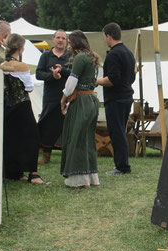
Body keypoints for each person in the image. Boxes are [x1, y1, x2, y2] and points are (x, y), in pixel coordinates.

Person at [2, 33, 47, 185]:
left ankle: (13, 172)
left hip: (8, 106)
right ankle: (33, 174)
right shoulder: (21, 66)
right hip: (22, 105)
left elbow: (4, 87)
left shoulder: (3, 65)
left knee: (12, 138)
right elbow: (29, 87)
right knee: (32, 138)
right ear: (21, 49)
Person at [59, 30, 100, 188]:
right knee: (87, 139)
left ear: (75, 43)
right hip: (91, 100)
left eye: (69, 42)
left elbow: (71, 83)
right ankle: (91, 178)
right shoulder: (92, 57)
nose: (68, 45)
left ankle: (80, 180)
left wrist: (63, 100)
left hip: (82, 101)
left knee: (77, 138)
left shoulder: (80, 57)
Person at [95, 22, 135, 175]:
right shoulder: (129, 53)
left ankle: (122, 167)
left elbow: (112, 79)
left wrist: (96, 81)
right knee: (120, 131)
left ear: (108, 36)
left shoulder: (113, 54)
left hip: (116, 98)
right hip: (126, 96)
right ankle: (122, 165)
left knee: (116, 132)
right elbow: (131, 77)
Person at [35, 30, 73, 164]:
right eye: (58, 38)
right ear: (53, 39)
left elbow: (75, 74)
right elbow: (38, 74)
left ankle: (68, 157)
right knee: (48, 127)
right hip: (50, 97)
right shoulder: (46, 56)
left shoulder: (70, 56)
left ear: (66, 41)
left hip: (68, 96)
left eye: (63, 38)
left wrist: (62, 70)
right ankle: (46, 156)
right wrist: (53, 76)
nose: (61, 40)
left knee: (67, 127)